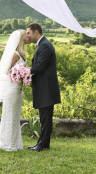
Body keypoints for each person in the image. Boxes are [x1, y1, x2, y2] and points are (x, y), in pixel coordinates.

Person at [26, 23, 61, 152]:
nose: (27, 36)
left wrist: (24, 72)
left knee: (46, 119)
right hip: (44, 88)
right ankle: (41, 143)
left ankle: (43, 145)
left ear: (36, 32)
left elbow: (39, 67)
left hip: (46, 89)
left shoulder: (45, 45)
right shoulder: (43, 44)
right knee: (44, 118)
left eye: (29, 33)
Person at [0, 29, 29, 151]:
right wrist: (17, 74)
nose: (28, 38)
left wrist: (25, 75)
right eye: (26, 36)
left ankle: (14, 143)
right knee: (9, 115)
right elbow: (6, 71)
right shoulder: (15, 54)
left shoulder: (21, 54)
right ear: (21, 40)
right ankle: (6, 143)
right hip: (12, 88)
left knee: (15, 116)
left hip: (18, 89)